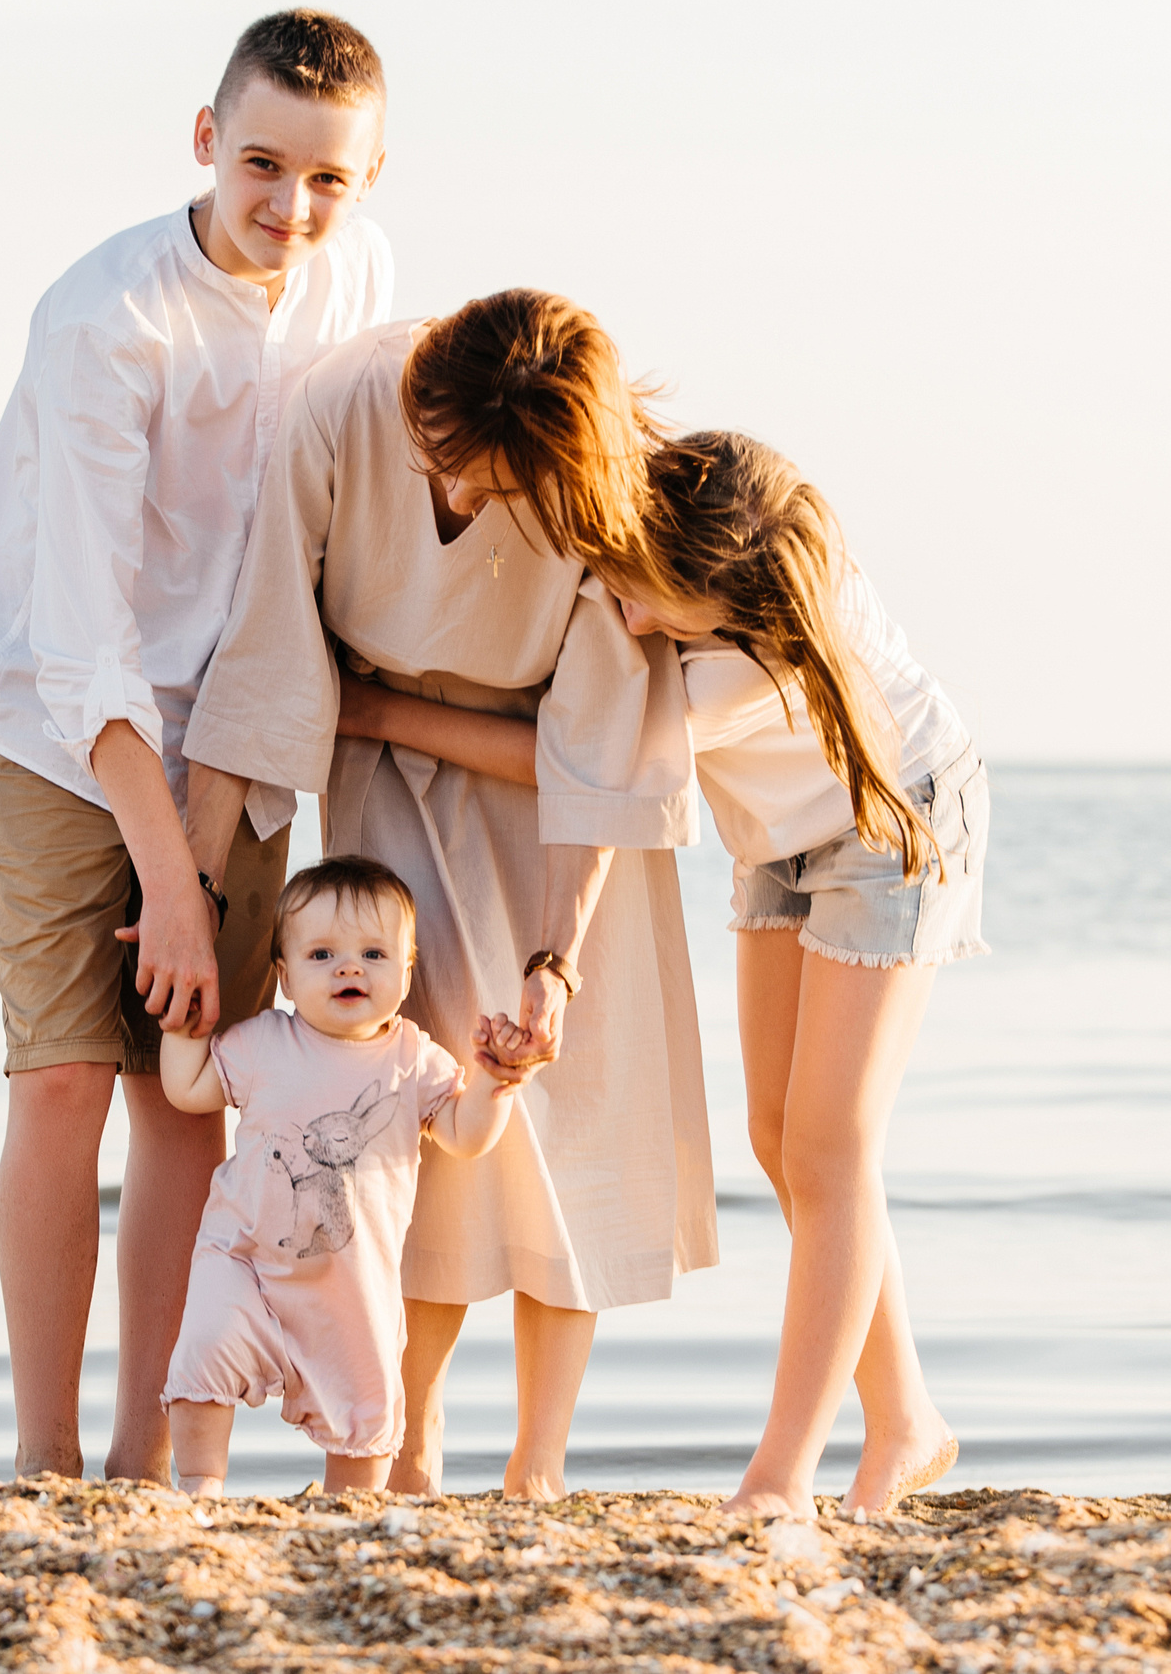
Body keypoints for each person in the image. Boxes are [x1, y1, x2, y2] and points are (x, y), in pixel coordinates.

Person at [336, 430, 987, 1517]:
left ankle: (783, 1475)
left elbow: (574, 757)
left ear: (723, 601)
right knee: (781, 1141)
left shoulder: (751, 659)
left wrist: (381, 713)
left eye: (649, 606)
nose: (626, 619)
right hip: (778, 837)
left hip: (893, 821)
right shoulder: (704, 500)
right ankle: (908, 1417)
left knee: (831, 1150)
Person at [170, 290, 717, 1501]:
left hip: (573, 830)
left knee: (563, 1121)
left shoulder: (596, 481)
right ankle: (406, 1444)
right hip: (390, 797)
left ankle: (538, 1463)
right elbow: (263, 664)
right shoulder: (339, 406)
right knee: (404, 1125)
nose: (465, 503)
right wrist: (199, 894)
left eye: (498, 488)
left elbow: (594, 752)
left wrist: (553, 959)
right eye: (449, 469)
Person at [0, 8, 392, 1482]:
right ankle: (44, 1455)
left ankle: (148, 1461)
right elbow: (85, 650)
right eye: (266, 165)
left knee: (187, 1095)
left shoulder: (361, 284)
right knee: (68, 1078)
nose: (293, 209)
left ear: (369, 179)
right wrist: (173, 881)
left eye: (330, 180)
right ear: (208, 142)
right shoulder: (105, 322)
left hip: (242, 736)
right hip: (60, 731)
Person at [157, 856, 534, 1496]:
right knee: (205, 1352)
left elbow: (465, 1138)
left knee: (366, 1413)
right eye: (323, 954)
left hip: (351, 1290)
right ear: (284, 975)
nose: (349, 967)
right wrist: (182, 1025)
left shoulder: (413, 1059)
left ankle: (350, 1509)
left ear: (407, 970)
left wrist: (496, 1083)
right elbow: (188, 1089)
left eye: (373, 954)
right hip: (245, 1261)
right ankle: (198, 1486)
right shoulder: (264, 1043)